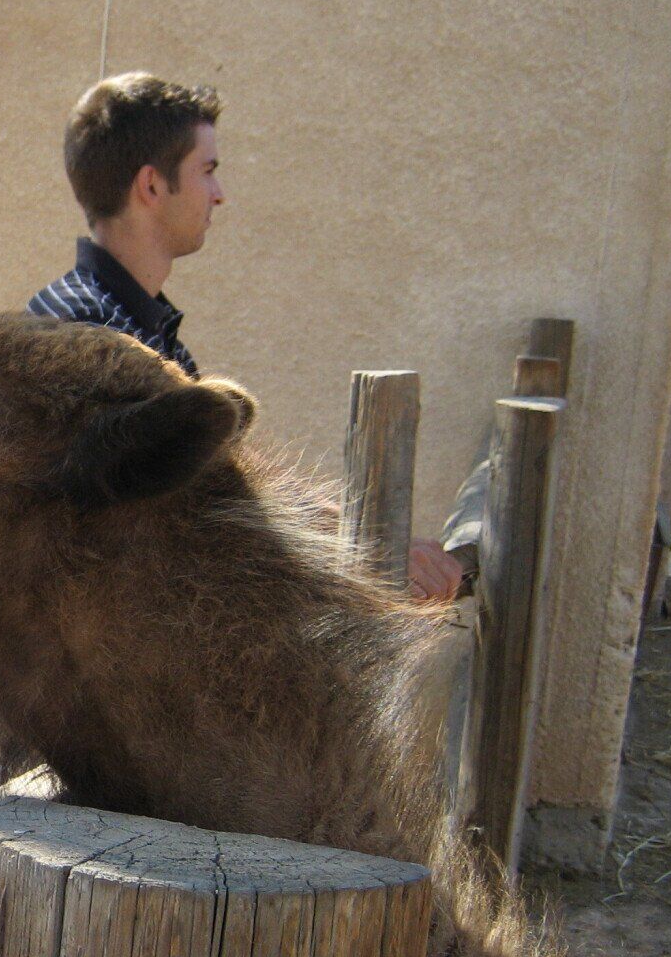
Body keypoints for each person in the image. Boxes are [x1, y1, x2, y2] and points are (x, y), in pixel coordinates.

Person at [31, 73, 463, 601]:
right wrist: (367, 546)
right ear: (151, 186)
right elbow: (193, 509)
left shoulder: (130, 324)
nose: (220, 195)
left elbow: (219, 481)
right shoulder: (91, 335)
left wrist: (364, 541)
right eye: (207, 171)